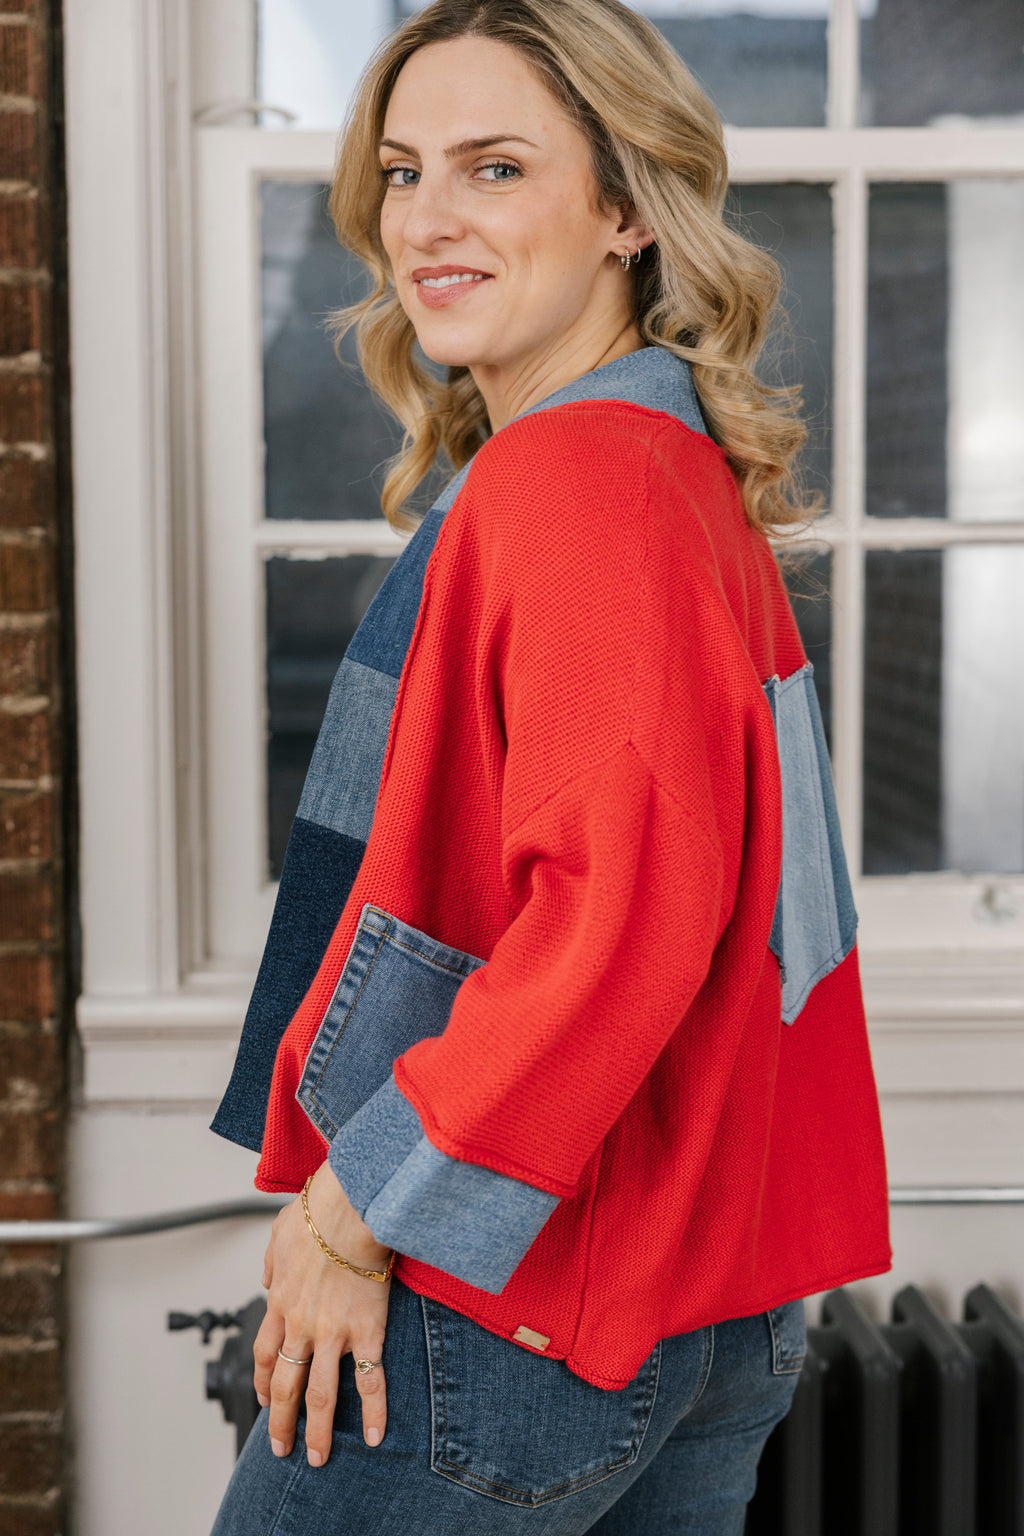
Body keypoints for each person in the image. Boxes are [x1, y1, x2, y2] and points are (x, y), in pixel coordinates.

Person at [209, 1, 891, 1529]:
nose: (424, 221)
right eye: (403, 171)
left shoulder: (579, 485)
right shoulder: (673, 467)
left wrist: (356, 1207)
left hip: (518, 1294)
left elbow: (621, 927)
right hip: (696, 1292)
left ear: (629, 211)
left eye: (496, 168)